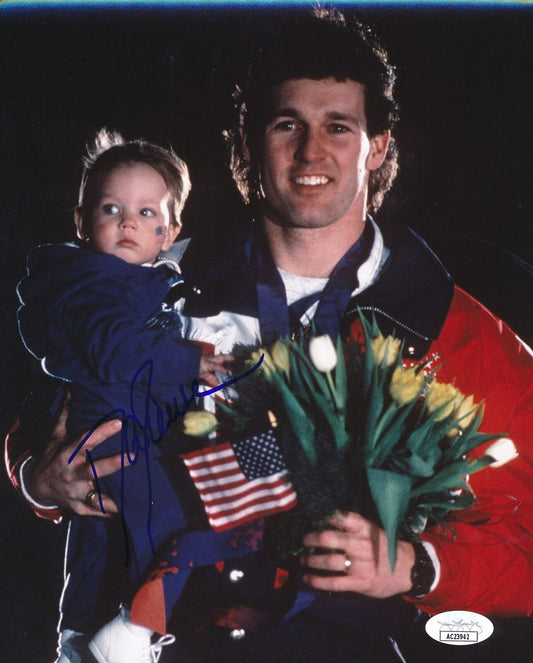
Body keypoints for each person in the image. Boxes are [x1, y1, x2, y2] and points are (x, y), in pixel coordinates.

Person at [6, 8, 533, 662]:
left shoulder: (462, 335)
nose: (311, 152)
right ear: (245, 145)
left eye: (337, 126)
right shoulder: (156, 282)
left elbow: (524, 542)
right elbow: (47, 414)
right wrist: (36, 479)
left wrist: (419, 566)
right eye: (287, 124)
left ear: (379, 147)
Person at [15, 128, 232, 662]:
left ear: (170, 230)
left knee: (103, 541)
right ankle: (133, 631)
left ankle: (81, 638)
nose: (128, 222)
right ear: (82, 222)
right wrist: (192, 363)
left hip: (131, 424)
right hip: (113, 424)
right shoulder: (92, 282)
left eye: (146, 213)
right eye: (111, 209)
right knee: (162, 525)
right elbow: (114, 346)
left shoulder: (149, 279)